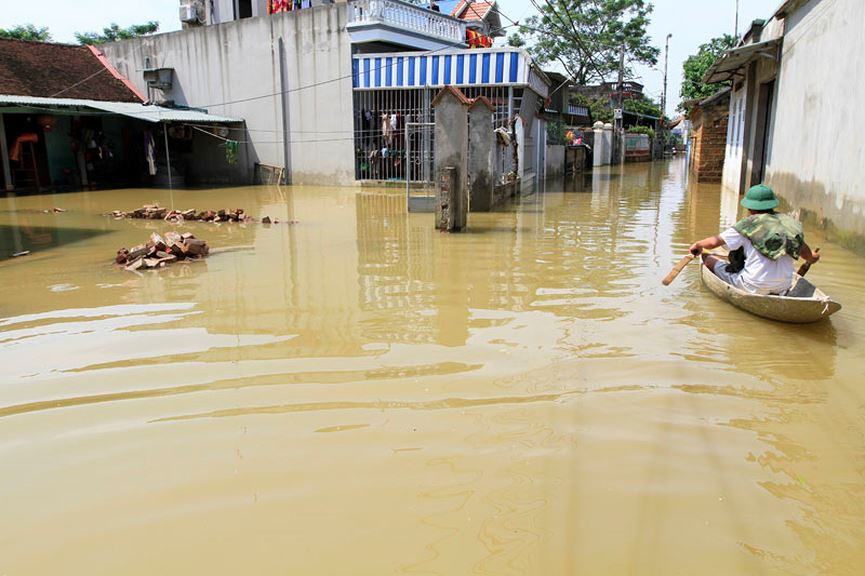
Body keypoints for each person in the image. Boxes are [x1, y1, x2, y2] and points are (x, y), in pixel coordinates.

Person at [689, 184, 821, 295]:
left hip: (752, 286)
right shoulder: (790, 225)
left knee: (709, 260)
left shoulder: (749, 224)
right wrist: (813, 257)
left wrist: (698, 245)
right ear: (772, 205)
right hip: (783, 287)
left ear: (750, 208)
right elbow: (808, 256)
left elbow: (714, 242)